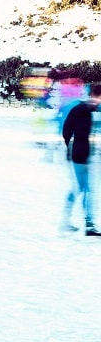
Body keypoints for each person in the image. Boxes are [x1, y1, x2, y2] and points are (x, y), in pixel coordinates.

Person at [61, 82, 101, 236]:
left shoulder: (88, 109)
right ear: (94, 95)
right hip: (79, 155)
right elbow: (67, 130)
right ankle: (83, 224)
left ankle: (78, 223)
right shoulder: (81, 109)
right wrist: (70, 148)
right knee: (81, 188)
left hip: (81, 154)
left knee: (82, 189)